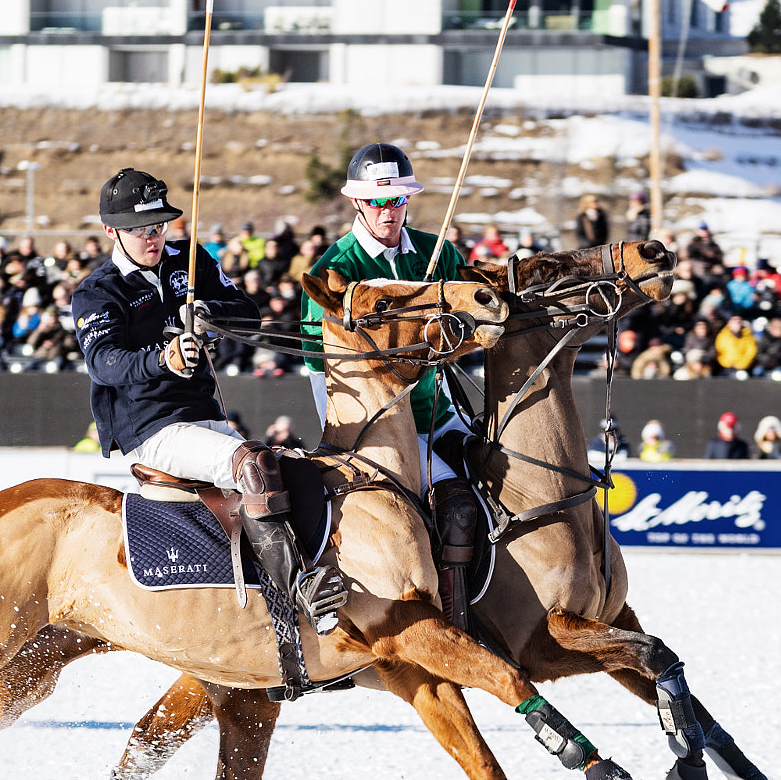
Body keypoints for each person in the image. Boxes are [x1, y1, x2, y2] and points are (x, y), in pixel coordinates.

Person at [76, 167, 344, 632]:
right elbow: (104, 362)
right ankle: (299, 590)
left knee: (293, 470)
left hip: (204, 414)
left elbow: (248, 314)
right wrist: (163, 359)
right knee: (252, 466)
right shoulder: (97, 292)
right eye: (139, 230)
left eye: (158, 226)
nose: (152, 237)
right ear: (111, 232)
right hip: (150, 426)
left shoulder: (191, 260)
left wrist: (207, 311)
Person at [297, 143, 483, 628]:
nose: (389, 211)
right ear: (357, 202)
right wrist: (342, 443)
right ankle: (455, 627)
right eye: (378, 201)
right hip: (382, 433)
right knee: (457, 506)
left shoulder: (438, 252)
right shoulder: (333, 270)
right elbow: (322, 369)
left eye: (397, 200)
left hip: (444, 415)